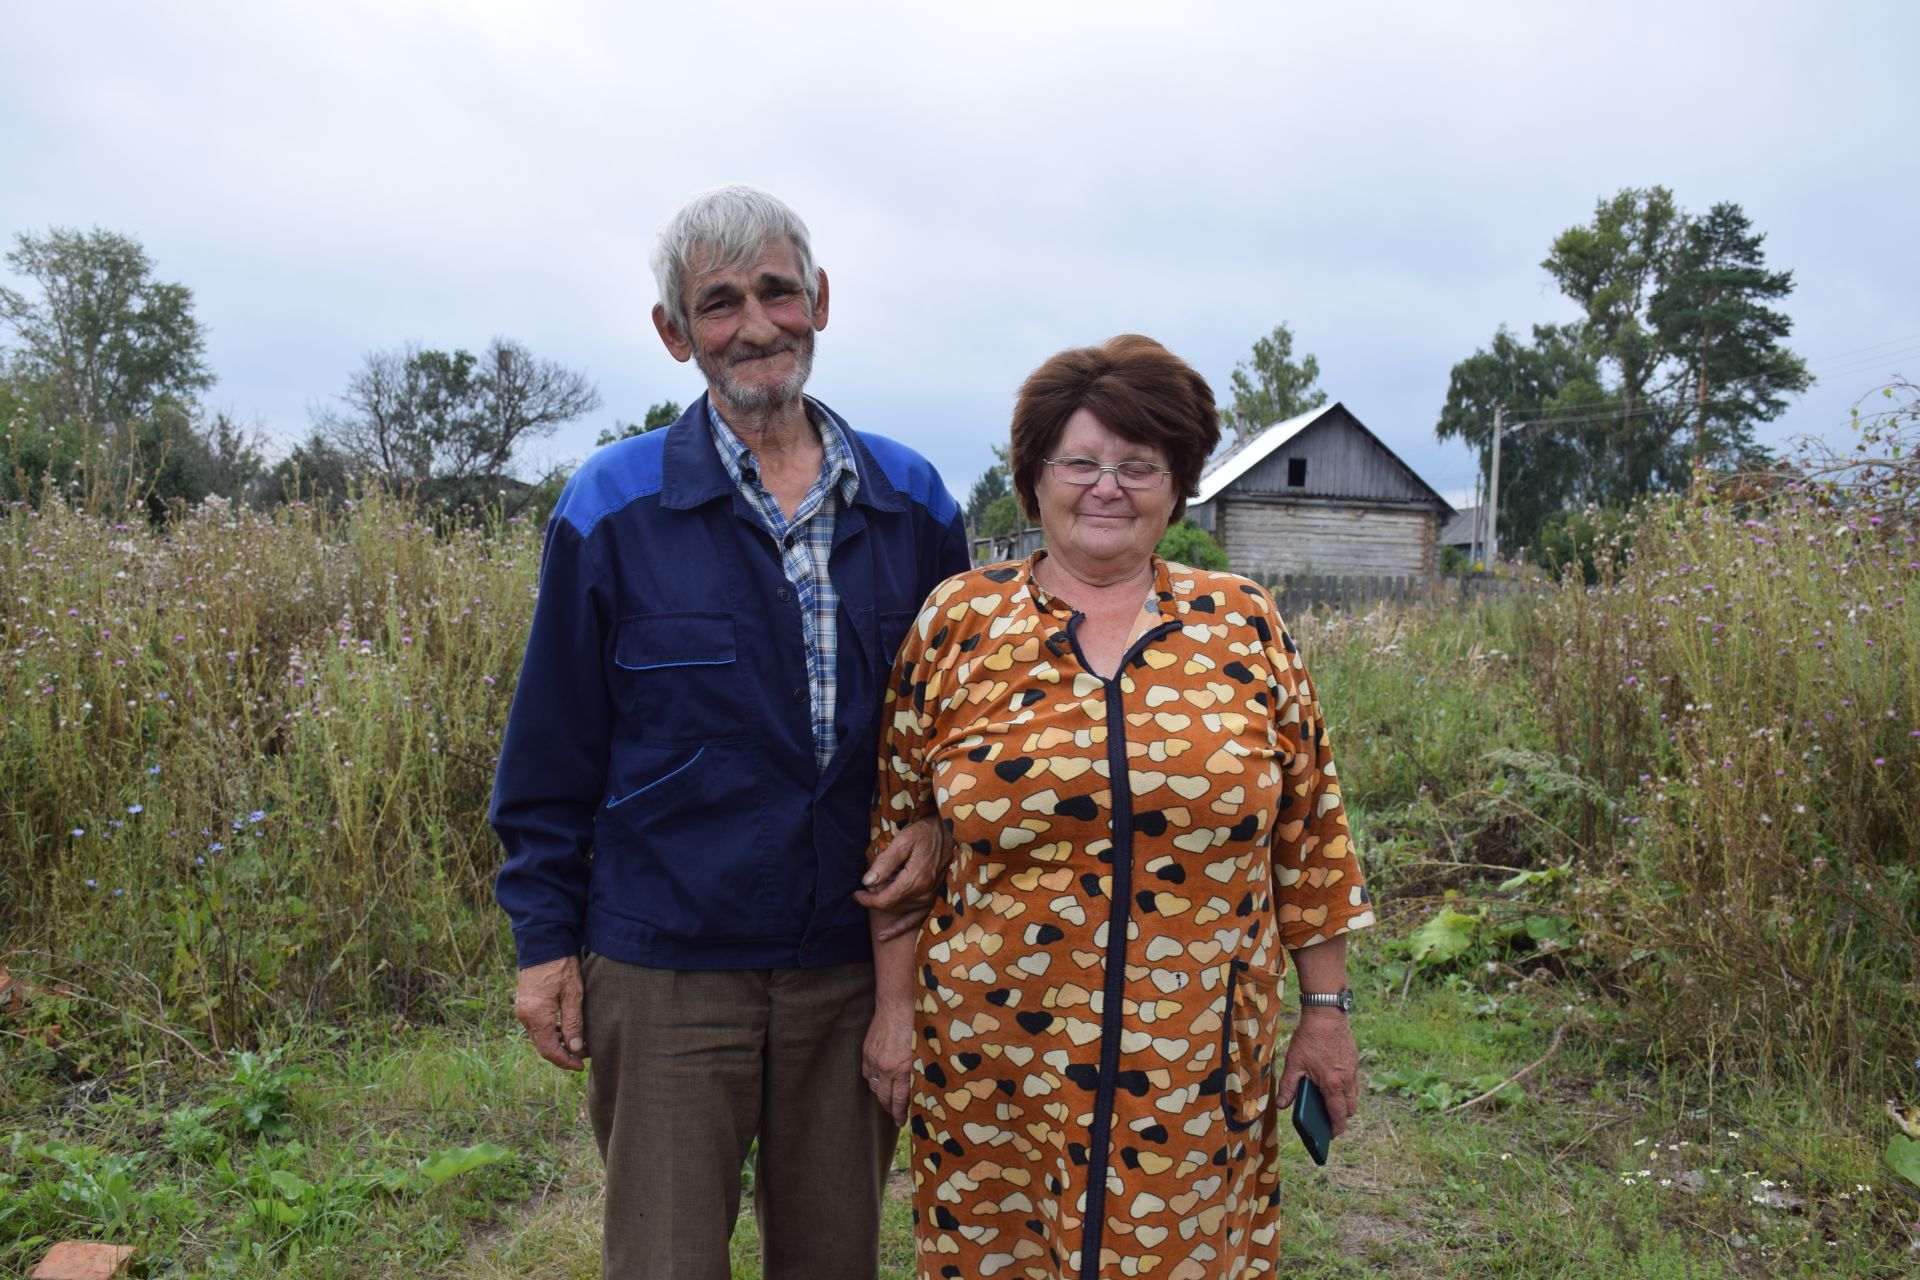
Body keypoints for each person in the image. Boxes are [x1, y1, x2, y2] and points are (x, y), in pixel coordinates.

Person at [491, 185, 970, 1280]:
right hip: (665, 965)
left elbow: (968, 734)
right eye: (718, 303)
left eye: (776, 291)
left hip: (851, 961)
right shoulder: (611, 507)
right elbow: (551, 753)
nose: (754, 324)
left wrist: (942, 828)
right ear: (674, 332)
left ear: (821, 302)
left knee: (833, 1257)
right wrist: (542, 944)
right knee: (663, 1259)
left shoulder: (913, 503)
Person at [863, 335, 1376, 1280]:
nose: (1109, 487)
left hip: (1192, 1060)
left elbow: (1310, 840)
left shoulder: (1243, 623)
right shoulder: (959, 625)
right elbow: (898, 837)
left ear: (1177, 484)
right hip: (995, 1056)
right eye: (1082, 463)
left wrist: (1327, 1013)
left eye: (1139, 465)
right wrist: (894, 1011)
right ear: (1035, 480)